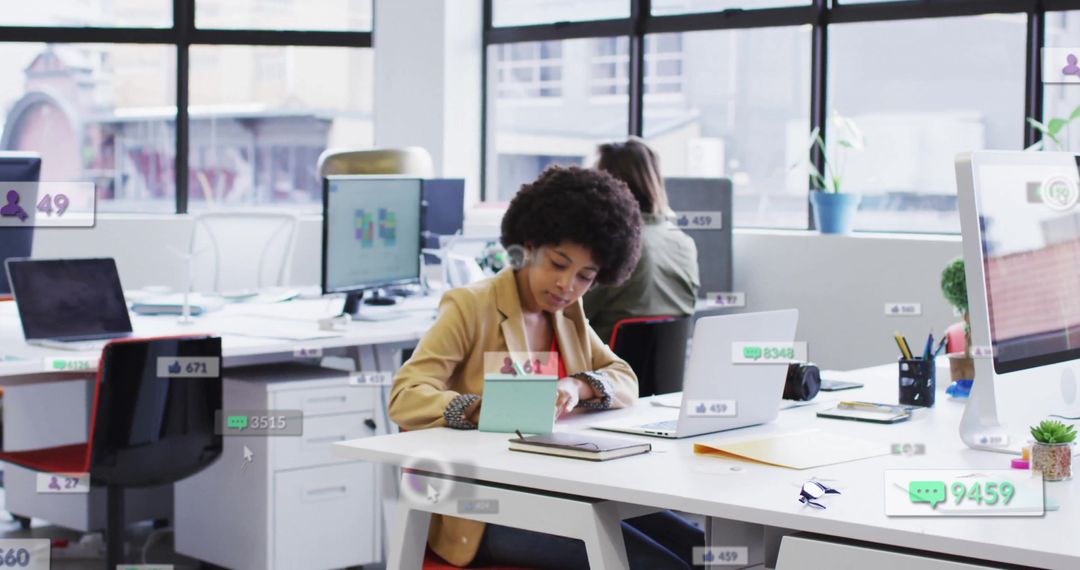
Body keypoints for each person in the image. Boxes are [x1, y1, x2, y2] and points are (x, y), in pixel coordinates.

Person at [388, 165, 703, 569]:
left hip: (561, 489)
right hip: (482, 510)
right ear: (529, 246)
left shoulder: (568, 314)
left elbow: (625, 379)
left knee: (701, 551)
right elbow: (404, 395)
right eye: (557, 264)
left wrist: (577, 386)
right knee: (658, 564)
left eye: (585, 277)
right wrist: (475, 408)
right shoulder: (471, 306)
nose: (566, 286)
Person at [584, 137, 700, 343]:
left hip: (601, 370)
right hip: (666, 374)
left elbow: (567, 315)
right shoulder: (684, 243)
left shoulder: (611, 245)